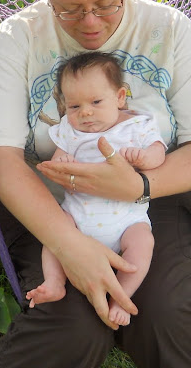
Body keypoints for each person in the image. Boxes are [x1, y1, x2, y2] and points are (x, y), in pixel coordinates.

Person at [0, 0, 191, 368]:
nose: (90, 23)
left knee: (168, 316)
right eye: (69, 8)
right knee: (71, 327)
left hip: (157, 201)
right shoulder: (16, 39)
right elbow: (0, 161)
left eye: (107, 4)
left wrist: (140, 187)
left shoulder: (168, 30)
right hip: (51, 203)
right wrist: (69, 247)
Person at [25, 51, 165, 327]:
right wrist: (62, 162)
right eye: (74, 106)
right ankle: (54, 282)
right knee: (55, 231)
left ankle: (121, 296)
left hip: (126, 219)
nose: (85, 112)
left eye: (96, 102)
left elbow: (158, 152)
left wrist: (145, 158)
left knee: (142, 242)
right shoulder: (70, 130)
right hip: (78, 217)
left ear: (120, 97)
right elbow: (57, 162)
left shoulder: (138, 125)